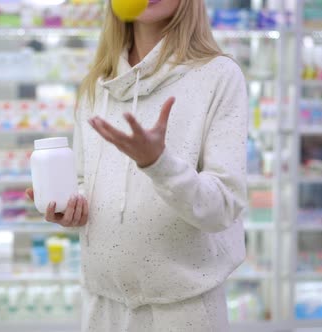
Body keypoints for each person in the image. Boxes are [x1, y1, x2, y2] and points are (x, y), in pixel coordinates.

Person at [28, 0, 248, 330]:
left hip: (185, 311)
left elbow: (222, 208)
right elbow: (87, 181)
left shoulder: (219, 76)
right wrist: (74, 206)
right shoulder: (96, 86)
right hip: (103, 307)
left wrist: (157, 163)